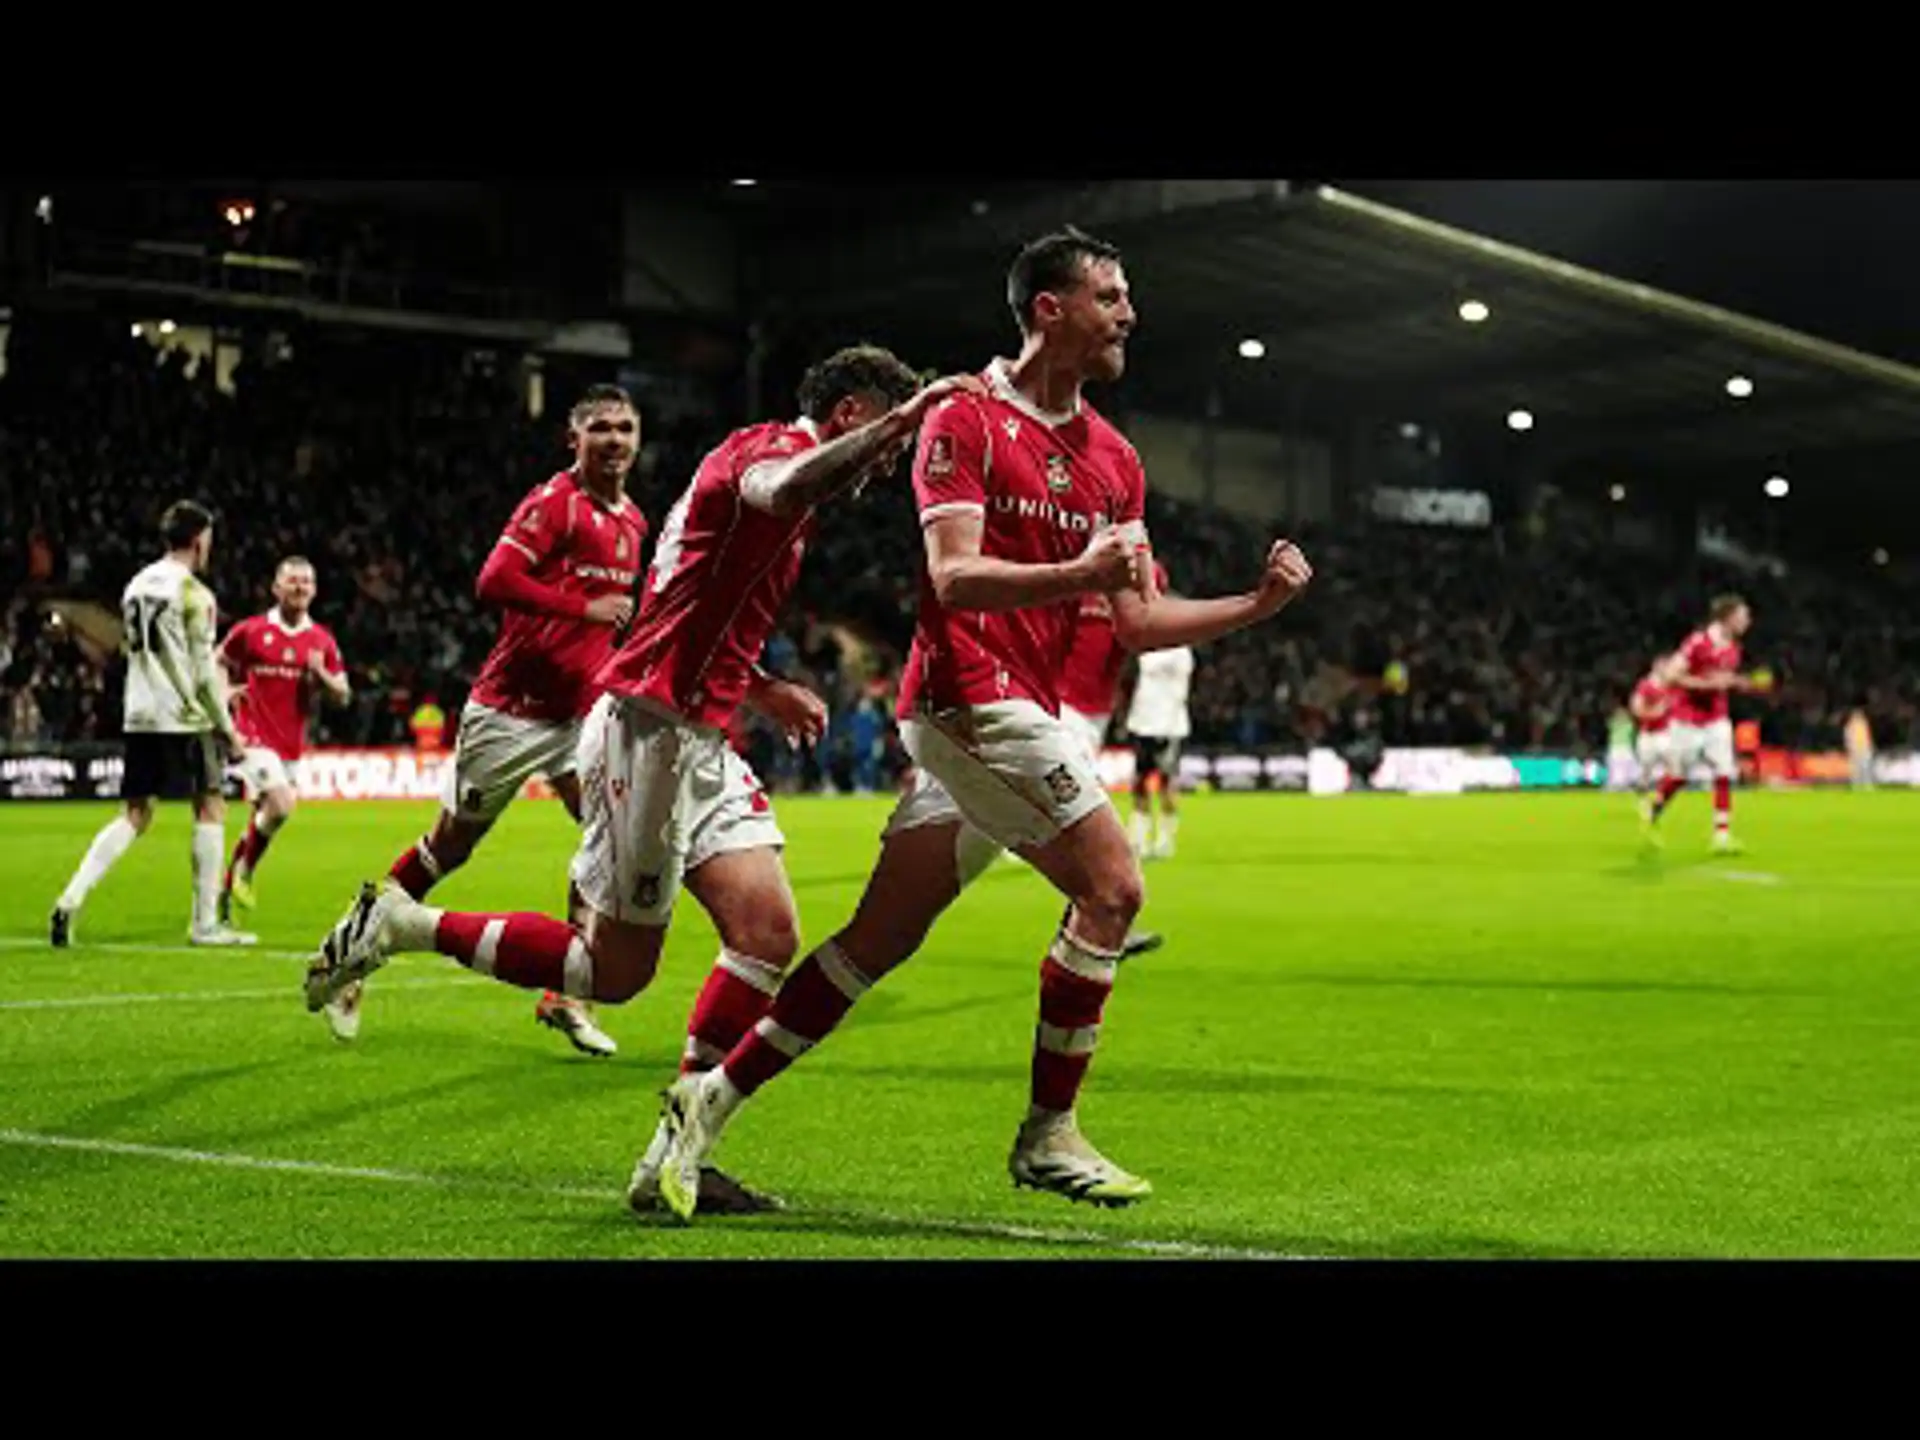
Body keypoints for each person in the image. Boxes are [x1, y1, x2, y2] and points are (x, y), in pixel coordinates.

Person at [651, 226, 1314, 1222]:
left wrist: (1251, 606)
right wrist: (1077, 573)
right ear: (1050, 309)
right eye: (1111, 295)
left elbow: (1134, 622)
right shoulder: (962, 414)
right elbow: (954, 579)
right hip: (967, 697)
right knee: (1114, 887)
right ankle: (1049, 1134)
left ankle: (709, 1102)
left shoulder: (1117, 462)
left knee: (878, 939)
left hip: (1014, 710)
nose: (1129, 312)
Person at [306, 345, 967, 1215]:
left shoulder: (757, 490)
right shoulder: (765, 455)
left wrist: (760, 688)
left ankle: (672, 1156)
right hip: (645, 734)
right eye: (883, 439)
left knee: (766, 932)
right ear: (851, 413)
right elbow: (782, 488)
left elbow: (681, 599)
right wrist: (906, 418)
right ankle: (403, 922)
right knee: (613, 972)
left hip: (699, 732)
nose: (890, 464)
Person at [353, 384, 649, 1055]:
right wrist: (584, 611)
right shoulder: (554, 504)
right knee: (451, 846)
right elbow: (494, 580)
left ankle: (566, 996)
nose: (615, 439)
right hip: (510, 712)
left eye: (626, 427)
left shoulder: (634, 522)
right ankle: (360, 934)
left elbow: (620, 621)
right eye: (600, 427)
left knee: (608, 836)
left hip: (580, 718)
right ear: (573, 438)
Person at [50, 500, 256, 947]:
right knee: (210, 805)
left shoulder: (136, 586)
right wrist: (228, 728)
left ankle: (70, 899)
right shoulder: (195, 594)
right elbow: (202, 674)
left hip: (139, 711)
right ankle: (204, 925)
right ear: (200, 539)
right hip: (183, 714)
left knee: (135, 814)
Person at [216, 556, 352, 926]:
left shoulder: (320, 640)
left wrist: (320, 673)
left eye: (306, 582)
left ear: (315, 590)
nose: (299, 587)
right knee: (281, 805)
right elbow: (218, 662)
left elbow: (343, 694)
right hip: (252, 736)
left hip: (291, 743)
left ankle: (225, 891)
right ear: (276, 588)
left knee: (263, 816)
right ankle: (242, 872)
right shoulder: (251, 631)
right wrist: (224, 693)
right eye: (292, 581)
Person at [1057, 566, 1164, 955]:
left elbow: (1146, 628)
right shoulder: (1073, 561)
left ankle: (1083, 926)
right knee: (1081, 822)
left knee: (1071, 823)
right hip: (1062, 706)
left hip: (1096, 712)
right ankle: (1092, 927)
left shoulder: (1147, 570)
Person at [1646, 595, 1766, 850]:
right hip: (1687, 719)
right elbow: (1671, 676)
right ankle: (1655, 803)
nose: (1747, 621)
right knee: (1679, 776)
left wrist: (1738, 683)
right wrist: (1708, 684)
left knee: (1724, 771)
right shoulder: (1698, 642)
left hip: (1717, 719)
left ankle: (1721, 834)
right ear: (1728, 617)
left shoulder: (1734, 648)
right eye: (1743, 616)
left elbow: (1722, 679)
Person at [1122, 564, 1193, 860]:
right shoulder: (1148, 645)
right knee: (1139, 783)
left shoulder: (1179, 650)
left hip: (1169, 725)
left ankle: (1164, 839)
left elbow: (1180, 689)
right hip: (1143, 722)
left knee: (1165, 784)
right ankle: (1138, 837)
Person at [1628, 656, 1678, 836]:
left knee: (1675, 768)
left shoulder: (1672, 686)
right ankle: (1642, 798)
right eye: (1665, 666)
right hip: (1648, 736)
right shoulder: (1646, 685)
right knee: (1645, 773)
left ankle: (1658, 800)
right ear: (1657, 667)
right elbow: (1636, 708)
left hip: (1665, 735)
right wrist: (1654, 713)